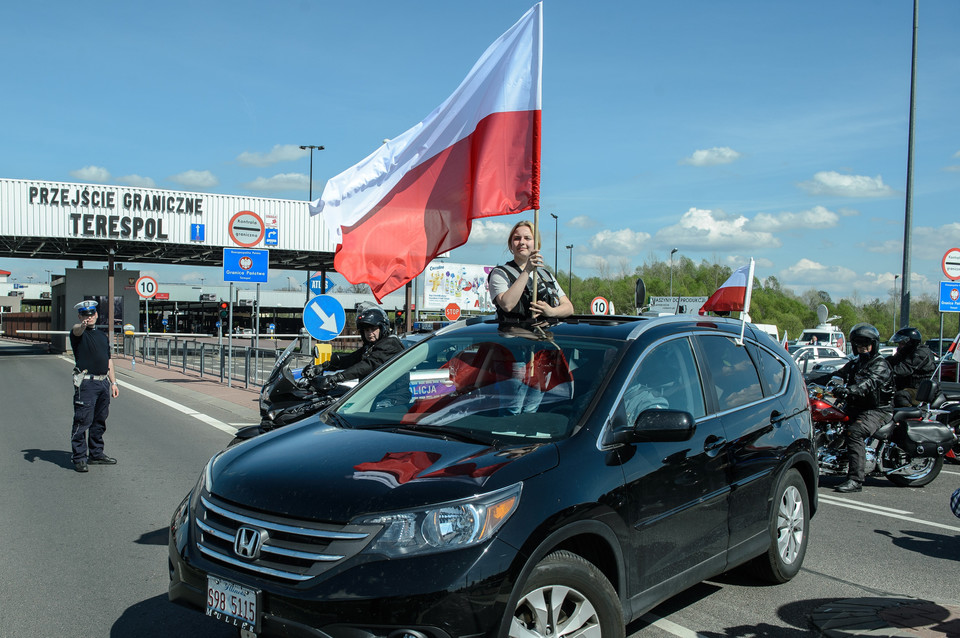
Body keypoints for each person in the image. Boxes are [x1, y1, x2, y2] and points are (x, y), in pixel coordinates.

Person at [831, 323, 894, 493]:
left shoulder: (880, 364)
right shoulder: (854, 364)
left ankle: (855, 480)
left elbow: (867, 384)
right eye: (859, 345)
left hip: (878, 410)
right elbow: (836, 375)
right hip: (856, 407)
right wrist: (805, 378)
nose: (862, 348)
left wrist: (848, 390)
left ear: (874, 345)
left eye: (866, 344)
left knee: (855, 431)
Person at [487, 220, 574, 324]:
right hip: (514, 336)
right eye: (517, 238)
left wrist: (551, 312)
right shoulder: (500, 273)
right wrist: (527, 270)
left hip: (543, 336)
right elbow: (507, 305)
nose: (522, 242)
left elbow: (569, 308)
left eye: (527, 238)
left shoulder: (546, 275)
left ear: (537, 244)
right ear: (510, 244)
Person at [301, 306, 405, 392]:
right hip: (375, 392)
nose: (370, 333)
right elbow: (351, 359)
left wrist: (337, 377)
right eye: (366, 330)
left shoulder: (390, 344)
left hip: (392, 396)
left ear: (382, 328)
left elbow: (368, 365)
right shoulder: (371, 346)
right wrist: (323, 366)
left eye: (373, 329)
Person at [69, 300, 119, 473]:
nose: (88, 318)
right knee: (82, 420)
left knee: (99, 421)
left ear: (96, 315)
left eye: (91, 314)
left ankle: (96, 454)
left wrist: (114, 383)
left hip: (103, 382)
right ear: (80, 316)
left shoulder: (102, 336)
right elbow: (77, 330)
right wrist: (81, 326)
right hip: (87, 383)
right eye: (85, 315)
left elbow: (109, 361)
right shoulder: (78, 334)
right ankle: (79, 457)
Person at [886, 327, 936, 407]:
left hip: (919, 390)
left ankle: (908, 416)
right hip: (907, 387)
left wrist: (883, 372)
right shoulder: (904, 352)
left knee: (900, 396)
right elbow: (892, 360)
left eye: (902, 343)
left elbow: (904, 369)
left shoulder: (921, 353)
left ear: (910, 342)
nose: (900, 346)